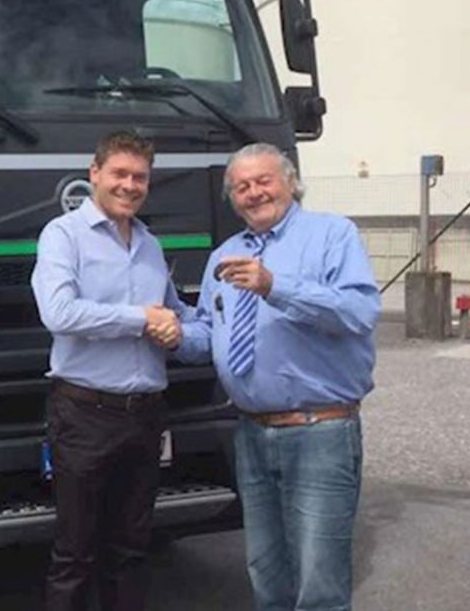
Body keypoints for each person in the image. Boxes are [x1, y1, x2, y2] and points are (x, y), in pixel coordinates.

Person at [173, 143, 379, 611]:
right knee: (266, 574)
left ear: (290, 182)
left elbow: (358, 312)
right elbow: (210, 333)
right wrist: (173, 334)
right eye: (241, 187)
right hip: (251, 432)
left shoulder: (332, 234)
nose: (254, 193)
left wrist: (275, 286)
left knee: (319, 582)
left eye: (263, 181)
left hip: (320, 431)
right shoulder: (224, 255)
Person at [31, 130, 188, 611]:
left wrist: (178, 329)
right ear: (94, 173)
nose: (130, 185)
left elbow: (172, 312)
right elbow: (59, 313)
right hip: (85, 417)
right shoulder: (63, 236)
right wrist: (141, 320)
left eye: (140, 177)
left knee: (131, 550)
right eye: (120, 173)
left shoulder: (150, 244)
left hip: (144, 417)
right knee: (75, 554)